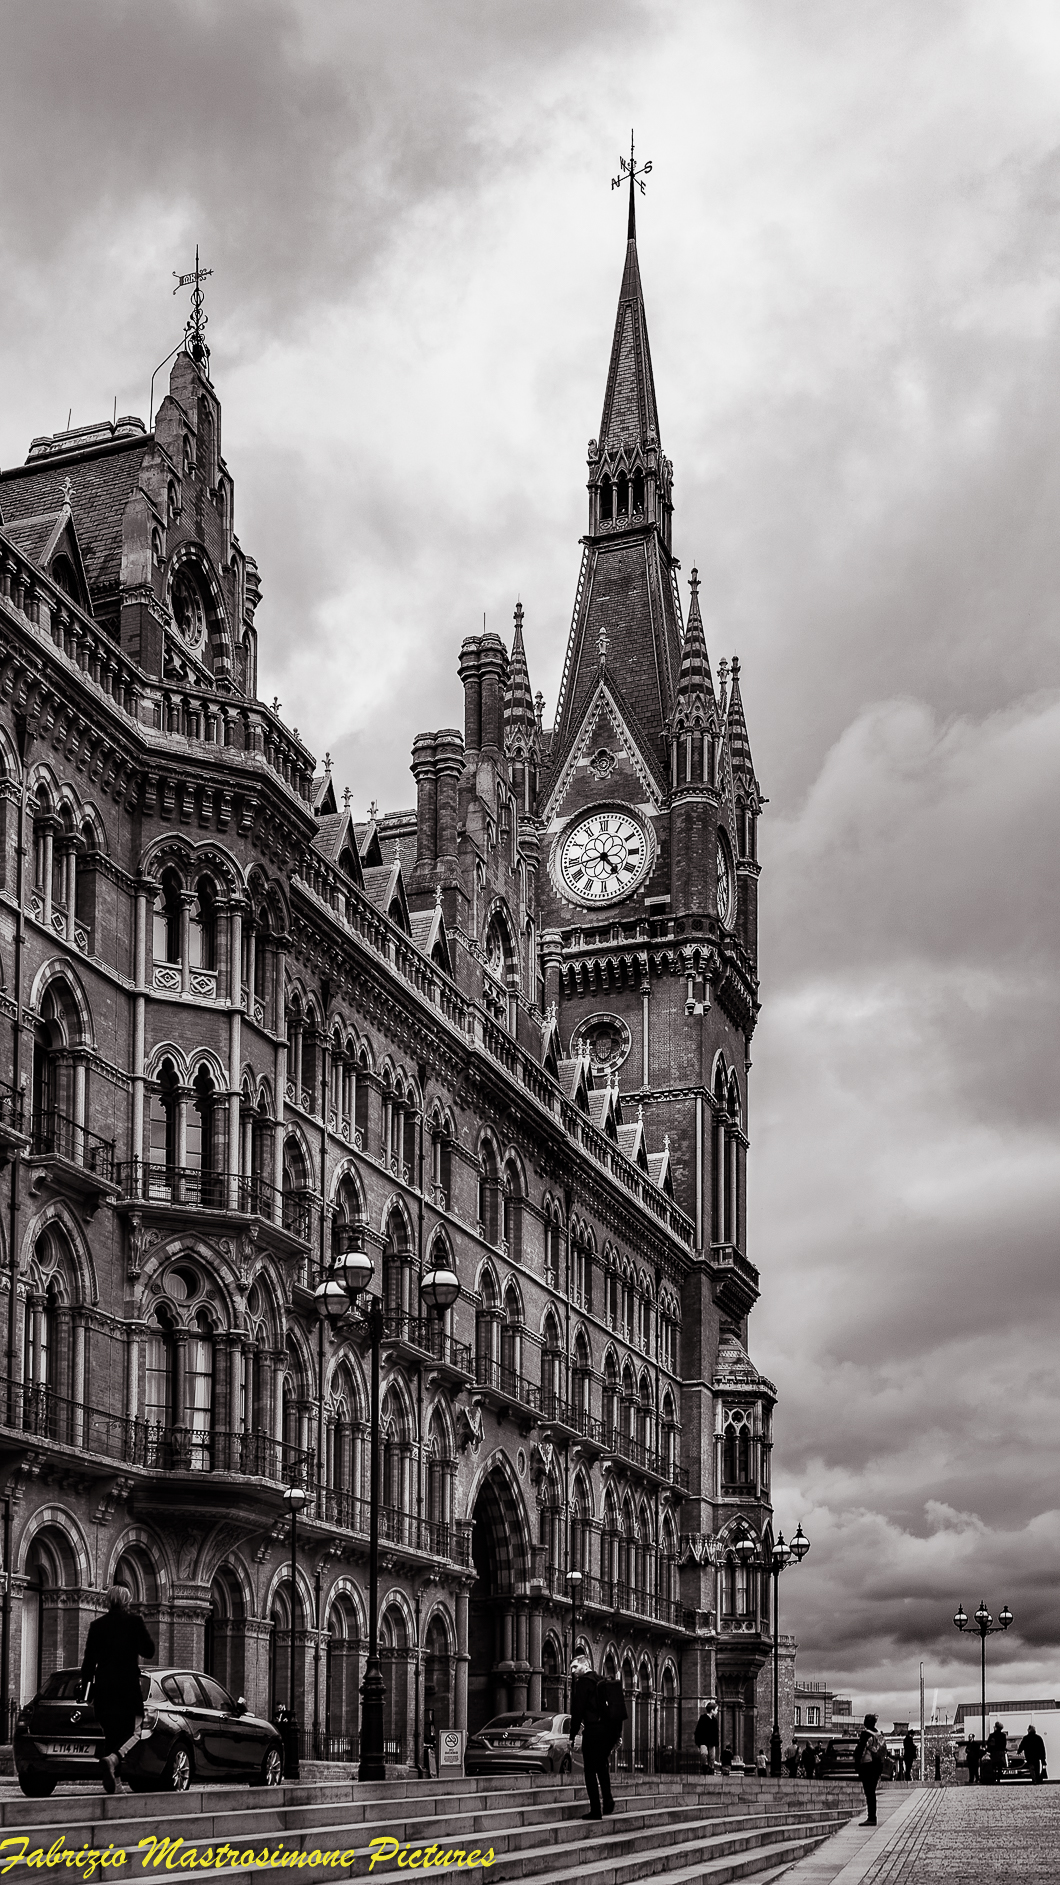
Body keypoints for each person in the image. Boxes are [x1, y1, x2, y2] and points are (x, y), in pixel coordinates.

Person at [80, 1584, 155, 1794]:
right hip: (127, 1688)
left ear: (108, 1601)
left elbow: (88, 1662)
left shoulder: (97, 1626)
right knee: (136, 1732)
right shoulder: (134, 1622)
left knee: (112, 1735)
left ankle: (117, 1784)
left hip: (103, 1689)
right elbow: (149, 1651)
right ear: (126, 1601)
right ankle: (114, 1760)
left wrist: (87, 1690)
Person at [569, 1655, 617, 1821]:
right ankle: (608, 1799)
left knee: (589, 1770)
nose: (573, 1671)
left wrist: (572, 1734)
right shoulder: (602, 1680)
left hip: (593, 1730)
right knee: (602, 1766)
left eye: (575, 1667)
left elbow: (578, 1710)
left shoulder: (583, 1683)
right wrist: (615, 1734)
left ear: (585, 1665)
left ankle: (596, 1810)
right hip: (607, 1730)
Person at [853, 1712, 886, 1826]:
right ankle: (872, 1816)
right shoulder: (879, 1734)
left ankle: (871, 1817)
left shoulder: (865, 1734)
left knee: (869, 1792)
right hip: (878, 1765)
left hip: (867, 1764)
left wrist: (856, 1763)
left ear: (866, 1723)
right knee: (872, 1791)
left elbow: (860, 1750)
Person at [694, 1699, 720, 1774]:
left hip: (712, 1742)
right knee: (704, 1754)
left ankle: (711, 1769)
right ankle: (705, 1768)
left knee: (712, 1757)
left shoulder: (715, 1720)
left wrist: (716, 1741)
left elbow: (716, 1732)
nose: (717, 1711)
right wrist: (698, 1742)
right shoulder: (703, 1718)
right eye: (716, 1710)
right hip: (703, 1741)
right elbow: (698, 1731)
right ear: (712, 1710)